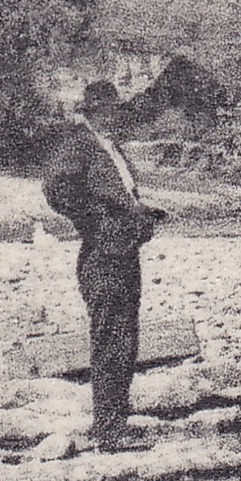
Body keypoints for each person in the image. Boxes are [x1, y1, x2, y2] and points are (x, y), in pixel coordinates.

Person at [41, 80, 168, 451]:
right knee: (111, 338)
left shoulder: (109, 147)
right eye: (110, 110)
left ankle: (116, 421)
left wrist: (137, 214)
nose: (116, 116)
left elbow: (118, 196)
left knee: (125, 337)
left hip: (122, 250)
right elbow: (56, 189)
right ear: (95, 113)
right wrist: (95, 219)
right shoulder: (80, 144)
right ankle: (109, 429)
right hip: (102, 253)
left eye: (116, 110)